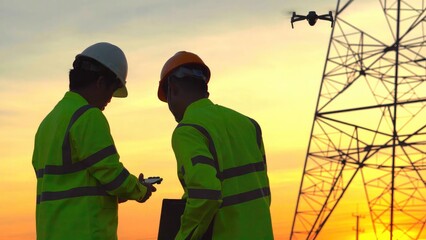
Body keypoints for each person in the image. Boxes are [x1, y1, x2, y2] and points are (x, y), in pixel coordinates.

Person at [32, 42, 156, 240]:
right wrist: (139, 190)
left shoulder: (48, 123)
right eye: (111, 91)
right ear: (100, 82)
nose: (109, 99)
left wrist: (124, 191)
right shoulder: (88, 116)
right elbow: (111, 174)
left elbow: (74, 188)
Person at [157, 51, 273, 239]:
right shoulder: (249, 124)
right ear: (205, 89)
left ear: (173, 88)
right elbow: (263, 192)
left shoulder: (188, 130)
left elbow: (206, 193)